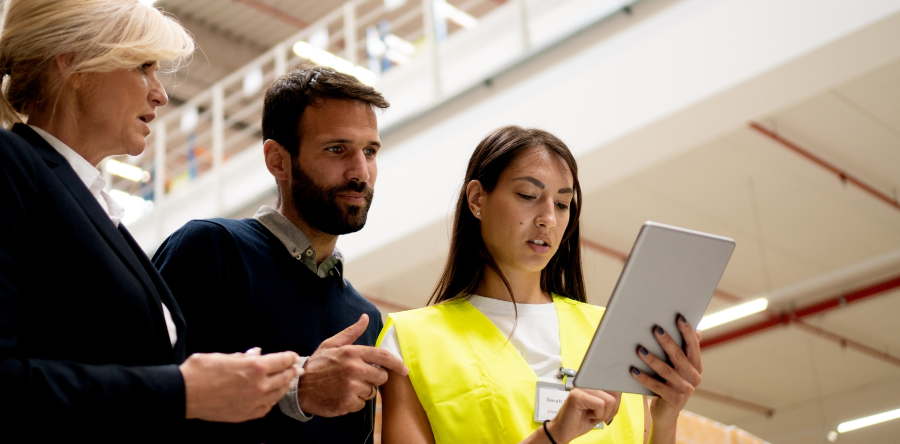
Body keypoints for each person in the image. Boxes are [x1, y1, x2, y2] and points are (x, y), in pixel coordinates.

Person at [0, 1, 303, 441]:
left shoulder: (93, 205)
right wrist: (181, 390)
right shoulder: (13, 169)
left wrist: (293, 383)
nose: (159, 92)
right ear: (74, 64)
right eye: (143, 66)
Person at [377, 126, 703, 444]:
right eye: (528, 195)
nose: (548, 217)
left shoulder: (612, 331)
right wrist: (553, 436)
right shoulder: (410, 342)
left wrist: (666, 416)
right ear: (477, 199)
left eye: (562, 204)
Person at [152, 64, 408, 442]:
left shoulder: (364, 317)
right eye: (337, 149)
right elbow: (144, 401)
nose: (361, 172)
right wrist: (297, 388)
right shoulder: (211, 249)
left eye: (370, 151)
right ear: (278, 160)